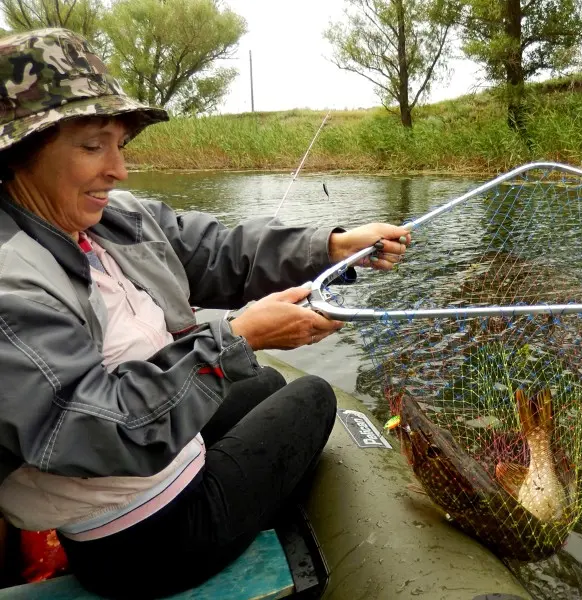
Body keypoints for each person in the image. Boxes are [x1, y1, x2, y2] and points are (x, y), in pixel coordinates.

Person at [0, 28, 410, 598]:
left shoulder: (108, 220)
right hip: (140, 542)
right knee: (313, 396)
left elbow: (216, 249)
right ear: (21, 153)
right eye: (94, 146)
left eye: (120, 145)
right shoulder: (11, 284)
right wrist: (236, 338)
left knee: (265, 382)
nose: (118, 170)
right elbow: (96, 426)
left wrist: (332, 246)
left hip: (150, 466)